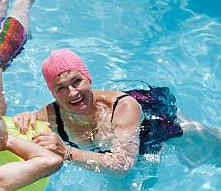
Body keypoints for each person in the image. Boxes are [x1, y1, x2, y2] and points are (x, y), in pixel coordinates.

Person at [13, 49, 188, 173]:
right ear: (53, 93)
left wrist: (66, 152)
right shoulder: (51, 114)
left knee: (194, 138)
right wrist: (28, 116)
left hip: (152, 120)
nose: (73, 92)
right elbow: (31, 122)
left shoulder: (124, 107)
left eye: (77, 81)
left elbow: (123, 164)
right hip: (110, 142)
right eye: (61, 88)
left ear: (88, 78)